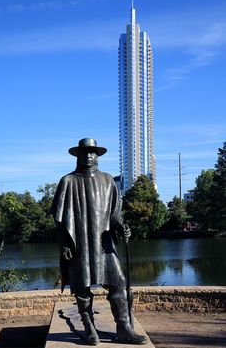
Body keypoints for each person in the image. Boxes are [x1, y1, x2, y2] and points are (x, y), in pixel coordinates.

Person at [50, 138, 147, 345]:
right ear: (78, 156)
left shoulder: (107, 180)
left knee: (119, 284)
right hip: (80, 244)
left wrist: (122, 227)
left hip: (104, 245)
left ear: (98, 156)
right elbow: (60, 221)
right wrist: (65, 244)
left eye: (92, 153)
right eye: (84, 153)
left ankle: (124, 328)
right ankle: (90, 329)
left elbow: (115, 215)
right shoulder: (67, 181)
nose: (88, 156)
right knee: (82, 289)